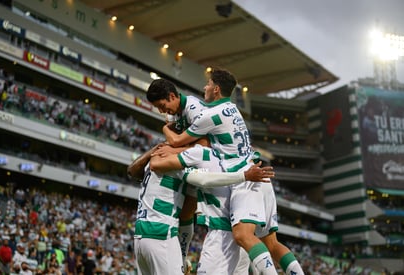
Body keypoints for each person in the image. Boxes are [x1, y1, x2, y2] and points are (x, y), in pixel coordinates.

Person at [154, 68, 304, 274]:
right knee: (271, 244)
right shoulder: (231, 109)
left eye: (207, 84)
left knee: (242, 235)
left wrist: (166, 128)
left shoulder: (209, 114)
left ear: (216, 89)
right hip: (257, 175)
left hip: (245, 178)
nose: (204, 88)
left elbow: (179, 141)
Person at [127, 142, 272, 275]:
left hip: (140, 237)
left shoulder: (160, 155)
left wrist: (152, 151)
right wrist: (244, 176)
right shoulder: (181, 160)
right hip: (161, 233)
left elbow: (132, 170)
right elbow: (203, 180)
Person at [146, 78, 208, 271]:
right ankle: (181, 258)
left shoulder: (194, 109)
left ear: (172, 96)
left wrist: (168, 136)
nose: (162, 111)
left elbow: (205, 146)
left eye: (162, 106)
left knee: (189, 209)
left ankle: (184, 257)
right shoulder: (175, 112)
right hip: (192, 159)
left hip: (209, 162)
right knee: (184, 212)